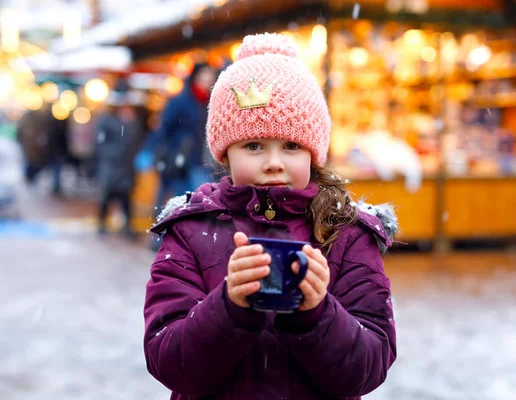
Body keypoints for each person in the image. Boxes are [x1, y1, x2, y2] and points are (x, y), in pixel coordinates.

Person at [143, 33, 398, 399]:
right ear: (225, 153)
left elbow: (368, 367)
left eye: (292, 146)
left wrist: (317, 312)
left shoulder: (347, 234)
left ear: (314, 153)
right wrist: (229, 307)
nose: (274, 163)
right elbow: (168, 360)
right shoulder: (190, 231)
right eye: (254, 146)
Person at [147, 62, 217, 210]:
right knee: (178, 199)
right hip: (179, 158)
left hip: (203, 159)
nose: (207, 80)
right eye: (204, 76)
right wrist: (158, 150)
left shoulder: (212, 102)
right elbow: (164, 128)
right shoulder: (181, 101)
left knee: (199, 200)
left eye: (210, 76)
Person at [95, 91, 146, 238]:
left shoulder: (133, 121)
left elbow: (137, 140)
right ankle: (102, 223)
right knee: (107, 195)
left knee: (126, 196)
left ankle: (128, 226)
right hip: (111, 165)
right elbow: (100, 143)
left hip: (126, 165)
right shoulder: (107, 120)